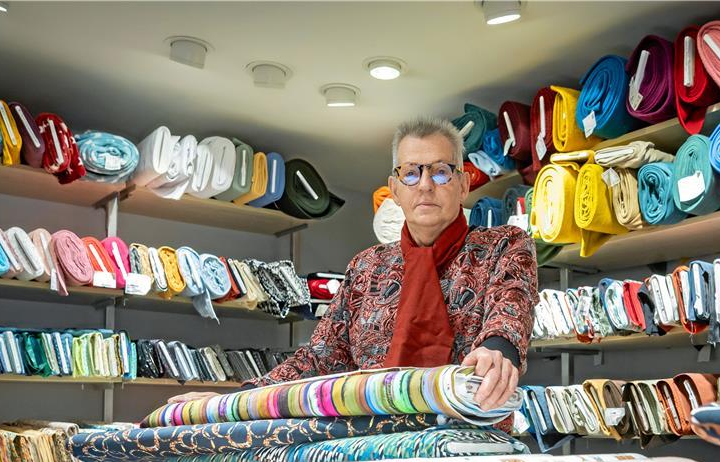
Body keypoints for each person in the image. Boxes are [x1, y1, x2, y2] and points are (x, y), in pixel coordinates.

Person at [169, 116, 537, 410]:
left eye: (440, 171)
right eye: (411, 173)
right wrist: (233, 401)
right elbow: (319, 358)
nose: (425, 185)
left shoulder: (502, 246)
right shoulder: (367, 268)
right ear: (395, 189)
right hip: (375, 443)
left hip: (466, 443)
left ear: (463, 184)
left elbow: (509, 312)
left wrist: (497, 352)